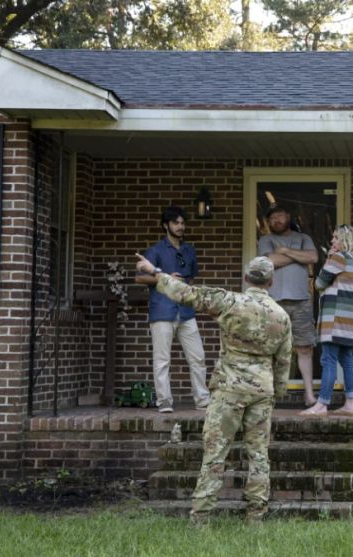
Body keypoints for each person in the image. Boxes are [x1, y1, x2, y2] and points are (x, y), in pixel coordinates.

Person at [135, 253, 291, 524]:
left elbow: (186, 293)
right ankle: (256, 515)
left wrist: (155, 271)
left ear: (246, 278)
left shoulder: (229, 301)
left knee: (215, 453)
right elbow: (284, 360)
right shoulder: (282, 316)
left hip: (229, 388)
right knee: (258, 454)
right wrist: (278, 391)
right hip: (262, 391)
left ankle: (201, 516)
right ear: (271, 282)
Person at [135, 206, 210, 412]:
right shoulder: (155, 250)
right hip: (162, 310)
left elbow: (191, 278)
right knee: (162, 360)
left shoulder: (189, 250)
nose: (180, 226)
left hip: (186, 311)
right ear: (165, 225)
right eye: (176, 223)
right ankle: (164, 401)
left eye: (182, 223)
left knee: (198, 357)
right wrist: (166, 278)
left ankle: (202, 400)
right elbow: (140, 277)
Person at [300, 225, 353, 417]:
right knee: (347, 359)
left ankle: (321, 405)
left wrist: (329, 258)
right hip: (349, 320)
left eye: (336, 238)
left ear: (345, 240)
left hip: (335, 318)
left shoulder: (338, 258)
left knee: (328, 359)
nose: (332, 241)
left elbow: (319, 283)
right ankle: (350, 404)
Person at [257, 204, 319, 406]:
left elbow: (313, 257)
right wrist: (297, 256)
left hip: (302, 301)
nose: (276, 220)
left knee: (304, 348)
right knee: (271, 349)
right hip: (273, 302)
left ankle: (309, 394)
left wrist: (284, 251)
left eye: (280, 215)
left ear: (288, 216)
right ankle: (270, 396)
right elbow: (270, 261)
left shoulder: (303, 238)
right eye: (272, 217)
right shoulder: (265, 240)